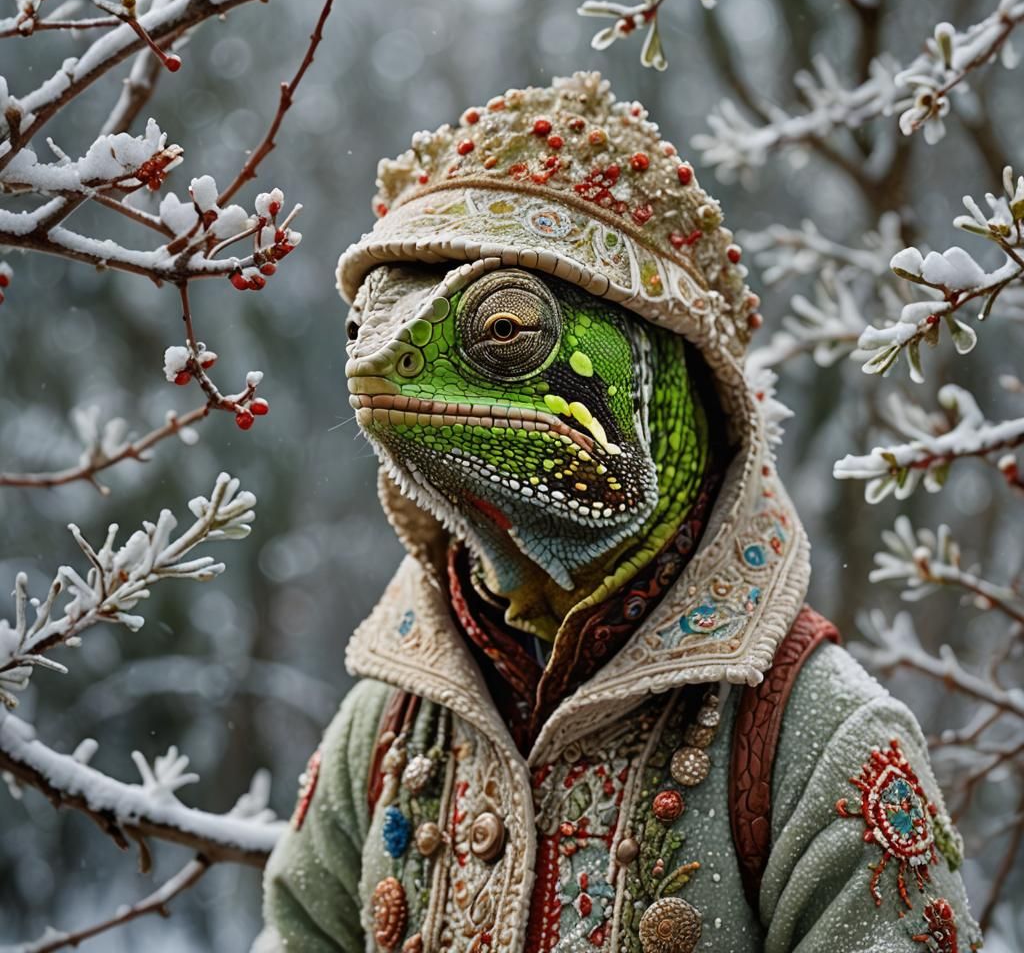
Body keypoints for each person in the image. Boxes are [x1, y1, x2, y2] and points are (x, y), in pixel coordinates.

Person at [256, 73, 980, 953]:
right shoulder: (387, 724)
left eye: (507, 330)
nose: (377, 369)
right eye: (365, 326)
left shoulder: (821, 738)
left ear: (655, 381)